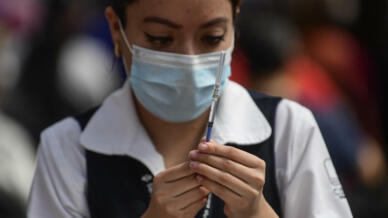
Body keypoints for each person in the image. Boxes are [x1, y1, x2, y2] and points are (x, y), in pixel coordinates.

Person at [27, 0, 353, 217]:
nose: (189, 60)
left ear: (234, 26)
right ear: (116, 29)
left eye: (212, 38)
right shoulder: (69, 147)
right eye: (160, 38)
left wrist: (259, 213)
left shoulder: (287, 127)